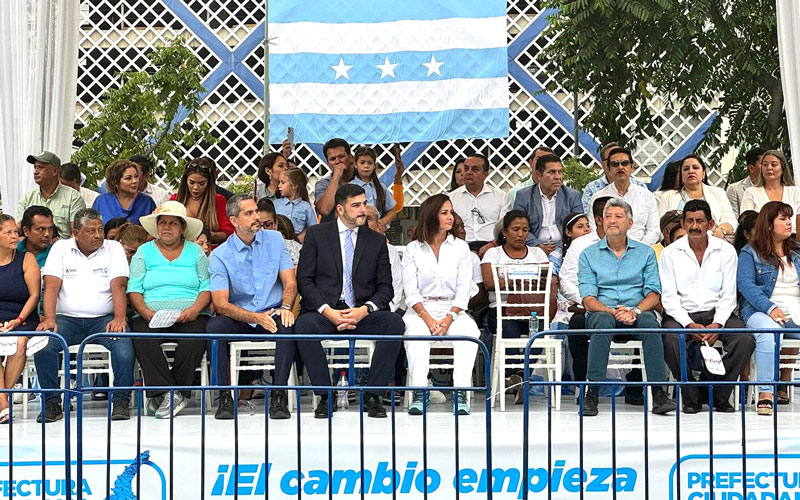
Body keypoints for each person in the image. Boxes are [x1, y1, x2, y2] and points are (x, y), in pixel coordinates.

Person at [295, 184, 403, 419]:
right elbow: (305, 280)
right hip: (327, 311)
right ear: (341, 209)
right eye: (356, 205)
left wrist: (364, 310)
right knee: (303, 326)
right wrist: (327, 311)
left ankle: (373, 394)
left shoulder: (375, 241)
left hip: (361, 311)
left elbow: (386, 288)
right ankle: (326, 395)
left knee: (394, 324)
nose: (363, 210)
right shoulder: (317, 235)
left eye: (364, 204)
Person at [207, 194, 318, 420]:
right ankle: (225, 397)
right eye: (249, 213)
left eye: (256, 211)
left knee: (287, 326)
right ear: (234, 221)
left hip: (274, 311)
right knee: (214, 327)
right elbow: (220, 303)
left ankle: (279, 394)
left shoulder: (275, 240)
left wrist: (286, 306)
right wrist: (255, 317)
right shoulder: (220, 255)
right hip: (240, 317)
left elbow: (290, 282)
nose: (257, 217)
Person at [577, 198, 674, 416]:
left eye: (618, 216)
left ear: (630, 223)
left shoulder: (645, 253)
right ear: (601, 222)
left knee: (650, 323)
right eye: (608, 216)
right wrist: (612, 311)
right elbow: (588, 298)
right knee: (602, 323)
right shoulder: (588, 255)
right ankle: (591, 393)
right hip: (603, 311)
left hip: (637, 311)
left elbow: (653, 293)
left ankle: (658, 394)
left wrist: (635, 311)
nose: (612, 221)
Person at [35, 209, 133, 422]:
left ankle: (121, 401)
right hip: (65, 319)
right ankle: (52, 402)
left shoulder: (113, 248)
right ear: (76, 232)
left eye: (100, 229)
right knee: (44, 345)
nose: (98, 235)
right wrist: (49, 318)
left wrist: (119, 317)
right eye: (91, 231)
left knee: (124, 346)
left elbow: (119, 285)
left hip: (104, 319)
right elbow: (50, 287)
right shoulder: (60, 248)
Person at [659, 199, 754, 413]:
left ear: (710, 224)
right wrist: (688, 324)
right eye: (690, 221)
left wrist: (718, 324)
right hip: (682, 314)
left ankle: (717, 394)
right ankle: (690, 396)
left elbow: (729, 295)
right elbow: (669, 298)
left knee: (744, 339)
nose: (694, 226)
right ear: (683, 223)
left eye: (700, 221)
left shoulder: (726, 250)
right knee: (671, 339)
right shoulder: (670, 253)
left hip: (717, 312)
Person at [127, 201, 210, 418]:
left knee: (194, 340)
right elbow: (134, 288)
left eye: (173, 223)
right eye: (162, 222)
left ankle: (168, 394)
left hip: (190, 314)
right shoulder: (144, 252)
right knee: (142, 337)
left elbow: (206, 287)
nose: (166, 227)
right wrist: (144, 311)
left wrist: (194, 310)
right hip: (150, 315)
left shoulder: (196, 252)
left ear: (182, 228)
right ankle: (170, 393)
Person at [402, 194, 481, 415]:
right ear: (431, 216)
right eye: (444, 212)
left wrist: (449, 317)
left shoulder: (461, 248)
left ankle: (461, 392)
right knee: (415, 334)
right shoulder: (413, 249)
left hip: (453, 309)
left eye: (451, 212)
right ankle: (420, 392)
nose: (451, 217)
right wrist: (427, 319)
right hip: (420, 310)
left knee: (469, 333)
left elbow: (464, 288)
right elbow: (410, 291)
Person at [737, 201, 800, 415]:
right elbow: (745, 284)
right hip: (760, 309)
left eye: (789, 218)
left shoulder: (797, 252)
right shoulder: (750, 253)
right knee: (769, 333)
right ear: (769, 225)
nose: (789, 222)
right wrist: (769, 307)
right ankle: (766, 393)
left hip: (795, 309)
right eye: (782, 218)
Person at [0, 214, 41, 423]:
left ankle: (2, 401)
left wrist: (19, 319)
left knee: (19, 341)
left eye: (15, 232)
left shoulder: (27, 259)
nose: (14, 236)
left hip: (23, 317)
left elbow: (34, 295)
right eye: (8, 233)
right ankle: (4, 402)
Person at [588, 147, 660, 245]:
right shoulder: (598, 198)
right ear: (608, 169)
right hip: (607, 251)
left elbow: (654, 230)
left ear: (632, 167)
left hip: (641, 251)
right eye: (615, 164)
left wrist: (638, 250)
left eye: (624, 163)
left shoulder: (647, 196)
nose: (620, 167)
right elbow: (594, 231)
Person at [513, 154, 583, 253]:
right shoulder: (524, 196)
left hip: (564, 248)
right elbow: (518, 227)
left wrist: (558, 248)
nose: (558, 177)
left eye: (560, 172)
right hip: (532, 248)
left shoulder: (572, 196)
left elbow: (579, 227)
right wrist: (537, 245)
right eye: (552, 172)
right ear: (539, 175)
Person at [658, 155, 736, 239]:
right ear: (681, 175)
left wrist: (721, 230)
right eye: (686, 169)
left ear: (703, 173)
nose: (691, 171)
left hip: (712, 241)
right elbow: (661, 226)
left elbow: (730, 221)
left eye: (695, 167)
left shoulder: (718, 192)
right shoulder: (668, 196)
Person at [450, 153, 511, 252]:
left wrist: (492, 245)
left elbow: (505, 227)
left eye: (475, 169)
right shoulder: (451, 198)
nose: (469, 172)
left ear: (485, 174)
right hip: (461, 247)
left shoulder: (501, 197)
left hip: (492, 247)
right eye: (466, 169)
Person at [17, 151, 85, 237]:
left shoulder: (73, 197)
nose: (35, 172)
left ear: (54, 171)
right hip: (31, 249)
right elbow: (18, 228)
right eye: (35, 167)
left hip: (62, 248)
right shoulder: (27, 198)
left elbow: (76, 234)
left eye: (40, 167)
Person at [171, 158, 234, 245]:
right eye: (191, 182)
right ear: (185, 181)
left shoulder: (219, 201)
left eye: (201, 184)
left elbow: (229, 234)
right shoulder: (175, 200)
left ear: (209, 183)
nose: (195, 187)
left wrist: (206, 236)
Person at [740, 150, 800, 234]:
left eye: (774, 164)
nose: (769, 168)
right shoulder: (751, 192)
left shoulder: (795, 192)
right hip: (761, 240)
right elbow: (745, 221)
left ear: (783, 168)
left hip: (792, 240)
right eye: (765, 165)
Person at [581, 143, 647, 212]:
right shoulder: (592, 189)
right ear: (603, 165)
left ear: (631, 166)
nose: (620, 167)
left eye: (624, 162)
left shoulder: (641, 187)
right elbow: (588, 216)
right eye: (614, 162)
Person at [93, 159, 156, 225]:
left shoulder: (147, 202)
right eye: (128, 178)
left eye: (136, 176)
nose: (134, 181)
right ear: (115, 181)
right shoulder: (102, 201)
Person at [365, 205, 403, 313]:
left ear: (378, 224)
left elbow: (396, 287)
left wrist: (387, 310)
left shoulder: (390, 251)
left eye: (368, 219)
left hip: (384, 308)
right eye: (361, 218)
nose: (364, 223)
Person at [350, 146, 397, 227]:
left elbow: (392, 210)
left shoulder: (381, 187)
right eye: (362, 162)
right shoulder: (350, 186)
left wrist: (381, 223)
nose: (366, 166)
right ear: (355, 164)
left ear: (374, 165)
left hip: (377, 231)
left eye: (370, 163)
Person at [315, 138, 356, 223]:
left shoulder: (363, 178)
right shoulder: (322, 184)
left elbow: (390, 208)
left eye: (341, 157)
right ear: (328, 163)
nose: (337, 161)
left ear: (351, 158)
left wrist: (382, 222)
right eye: (333, 159)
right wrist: (336, 177)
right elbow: (324, 210)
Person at [274, 168, 317, 243]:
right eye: (279, 182)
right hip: (278, 242)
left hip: (299, 245)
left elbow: (314, 229)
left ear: (294, 185)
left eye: (282, 183)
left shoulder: (306, 207)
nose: (279, 186)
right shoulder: (276, 204)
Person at [727, 147, 766, 218]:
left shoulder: (773, 188)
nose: (768, 167)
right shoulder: (734, 189)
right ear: (751, 168)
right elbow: (733, 219)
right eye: (764, 164)